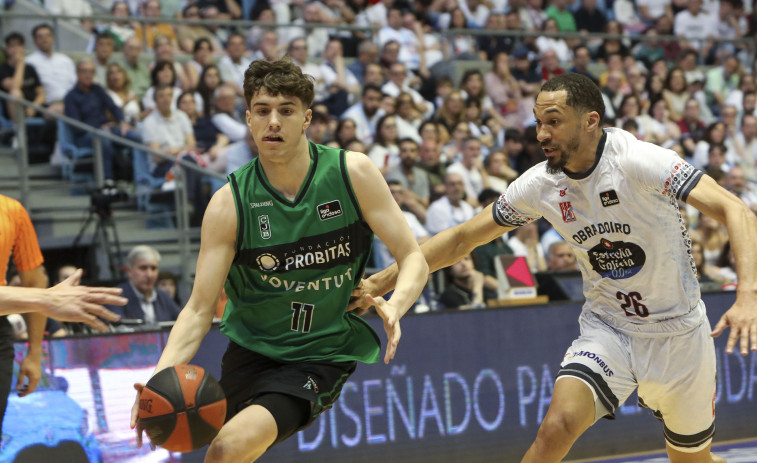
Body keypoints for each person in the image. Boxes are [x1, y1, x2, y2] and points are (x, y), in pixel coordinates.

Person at [351, 73, 757, 463]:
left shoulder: (641, 161)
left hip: (680, 334)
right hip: (609, 329)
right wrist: (382, 280)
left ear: (591, 121)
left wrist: (746, 297)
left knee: (691, 459)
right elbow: (462, 239)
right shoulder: (540, 184)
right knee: (555, 430)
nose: (541, 134)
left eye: (554, 122)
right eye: (538, 123)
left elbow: (736, 210)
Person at [130, 58, 428, 462]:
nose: (274, 122)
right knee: (226, 453)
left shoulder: (351, 173)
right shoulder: (228, 205)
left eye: (286, 111)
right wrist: (155, 381)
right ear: (248, 119)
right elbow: (199, 310)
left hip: (320, 352)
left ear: (306, 119)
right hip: (252, 349)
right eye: (263, 111)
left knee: (226, 449)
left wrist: (397, 303)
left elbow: (413, 256)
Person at [0, 194, 122, 437]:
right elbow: (39, 293)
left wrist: (35, 352)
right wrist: (47, 299)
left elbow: (34, 281)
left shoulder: (11, 211)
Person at [106, 245, 181, 325]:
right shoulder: (116, 298)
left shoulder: (164, 297)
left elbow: (184, 323)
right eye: (143, 268)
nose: (149, 275)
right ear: (129, 271)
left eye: (153, 268)